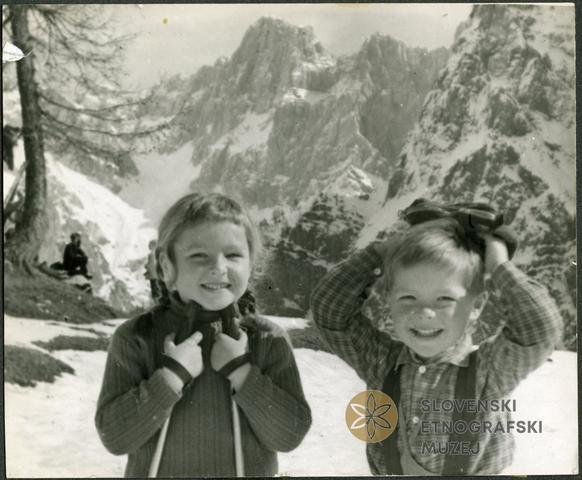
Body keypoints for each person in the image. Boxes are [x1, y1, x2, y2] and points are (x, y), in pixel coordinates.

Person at [311, 200, 562, 475]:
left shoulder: (489, 371)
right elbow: (329, 310)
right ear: (388, 301)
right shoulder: (381, 361)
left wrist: (499, 266)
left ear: (476, 306)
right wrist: (383, 251)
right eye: (408, 297)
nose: (425, 313)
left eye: (444, 298)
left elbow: (540, 327)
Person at [95, 192, 311, 477]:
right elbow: (115, 437)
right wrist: (171, 376)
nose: (219, 268)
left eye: (233, 255)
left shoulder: (266, 339)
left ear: (250, 264)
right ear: (167, 266)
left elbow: (288, 436)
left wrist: (243, 373)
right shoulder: (136, 337)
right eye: (199, 256)